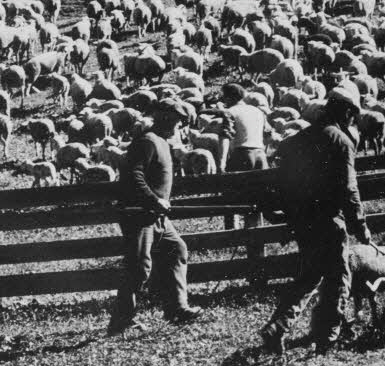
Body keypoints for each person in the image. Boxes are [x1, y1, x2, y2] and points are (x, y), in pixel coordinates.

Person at [259, 83, 371, 355]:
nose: (352, 120)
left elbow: (283, 182)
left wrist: (288, 214)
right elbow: (348, 189)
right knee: (338, 277)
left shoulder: (296, 141)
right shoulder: (341, 142)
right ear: (345, 112)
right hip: (328, 221)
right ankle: (328, 337)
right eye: (352, 114)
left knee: (309, 275)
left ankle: (277, 326)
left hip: (302, 220)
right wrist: (360, 226)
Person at [107, 100, 204, 335]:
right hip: (140, 215)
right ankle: (121, 320)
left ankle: (177, 308)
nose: (179, 125)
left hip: (156, 216)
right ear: (164, 118)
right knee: (139, 267)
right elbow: (133, 175)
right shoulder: (147, 142)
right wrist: (154, 200)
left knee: (176, 250)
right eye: (176, 120)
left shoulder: (162, 142)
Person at [217, 82, 268, 173]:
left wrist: (222, 163)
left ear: (227, 98)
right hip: (261, 157)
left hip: (242, 156)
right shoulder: (257, 111)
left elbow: (225, 137)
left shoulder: (230, 112)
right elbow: (268, 134)